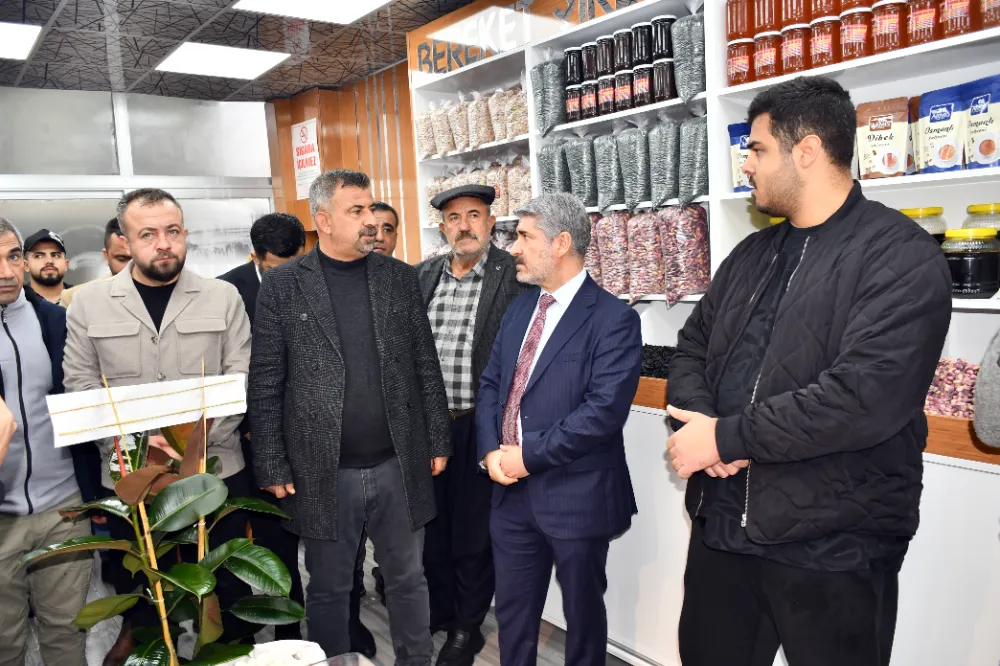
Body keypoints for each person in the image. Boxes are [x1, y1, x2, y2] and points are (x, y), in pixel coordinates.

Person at [666, 76, 951, 666]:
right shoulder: (750, 254)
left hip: (834, 546)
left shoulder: (900, 254)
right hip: (725, 529)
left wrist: (725, 438)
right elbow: (691, 349)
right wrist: (702, 427)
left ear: (808, 151)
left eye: (757, 149)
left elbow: (861, 399)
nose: (747, 165)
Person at [249, 169, 451, 664]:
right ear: (323, 220)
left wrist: (438, 438)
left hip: (397, 462)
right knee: (328, 587)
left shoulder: (398, 278)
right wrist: (272, 462)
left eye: (371, 208)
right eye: (356, 211)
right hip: (322, 469)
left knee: (408, 579)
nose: (370, 221)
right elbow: (266, 381)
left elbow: (425, 363)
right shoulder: (282, 286)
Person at [62, 188, 255, 664]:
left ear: (185, 234)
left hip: (214, 470)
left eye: (172, 231)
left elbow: (241, 379)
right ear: (125, 242)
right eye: (147, 234)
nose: (163, 243)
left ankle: (228, 653)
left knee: (225, 584)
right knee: (147, 588)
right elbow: (81, 386)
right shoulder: (89, 304)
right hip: (134, 478)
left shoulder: (222, 297)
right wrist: (141, 448)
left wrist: (190, 447)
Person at [477, 193, 642, 666]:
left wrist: (526, 457)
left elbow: (601, 414)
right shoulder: (518, 310)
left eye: (524, 237)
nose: (513, 248)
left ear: (562, 243)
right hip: (509, 495)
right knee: (513, 616)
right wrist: (490, 452)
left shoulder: (614, 319)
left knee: (583, 618)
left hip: (577, 495)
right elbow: (491, 385)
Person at [416, 184, 526, 666]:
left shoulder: (514, 275)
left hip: (481, 426)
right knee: (432, 527)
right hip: (428, 427)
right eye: (454, 218)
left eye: (474, 215)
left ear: (491, 222)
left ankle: (467, 627)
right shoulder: (421, 277)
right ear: (442, 227)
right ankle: (440, 610)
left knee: (475, 535)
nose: (464, 226)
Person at [0, 218, 94, 666]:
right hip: (2, 518)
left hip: (64, 509)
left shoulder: (57, 321)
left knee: (67, 632)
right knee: (4, 642)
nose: (5, 272)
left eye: (13, 256)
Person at [60, 218, 132, 308]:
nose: (131, 267)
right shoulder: (74, 299)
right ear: (106, 256)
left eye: (138, 259)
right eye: (122, 259)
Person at [24, 228, 73, 304]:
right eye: (38, 256)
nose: (49, 261)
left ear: (66, 264)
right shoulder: (14, 302)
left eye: (55, 255)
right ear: (26, 265)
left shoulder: (82, 298)